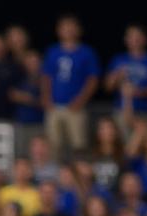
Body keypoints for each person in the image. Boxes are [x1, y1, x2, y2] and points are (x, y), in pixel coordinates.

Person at [41, 15, 100, 160]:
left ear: (79, 30)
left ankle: (79, 178)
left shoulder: (86, 52)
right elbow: (46, 76)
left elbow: (93, 79)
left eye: (71, 26)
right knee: (54, 145)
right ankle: (56, 178)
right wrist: (46, 98)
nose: (68, 30)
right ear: (58, 31)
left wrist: (81, 100)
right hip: (54, 106)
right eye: (64, 27)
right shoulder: (53, 51)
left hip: (76, 107)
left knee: (79, 145)